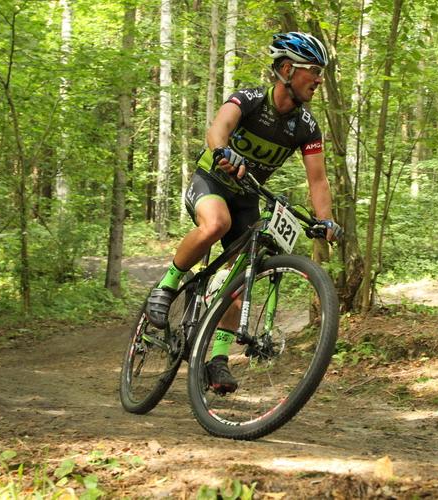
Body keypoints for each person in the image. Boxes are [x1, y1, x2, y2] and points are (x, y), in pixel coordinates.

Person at [145, 32, 343, 394]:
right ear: (287, 69)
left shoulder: (306, 126)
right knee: (216, 224)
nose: (319, 80)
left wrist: (324, 219)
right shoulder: (250, 99)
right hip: (211, 182)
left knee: (243, 272)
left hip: (247, 197)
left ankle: (217, 358)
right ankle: (167, 285)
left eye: (321, 73)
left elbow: (318, 179)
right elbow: (218, 128)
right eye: (314, 71)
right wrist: (222, 150)